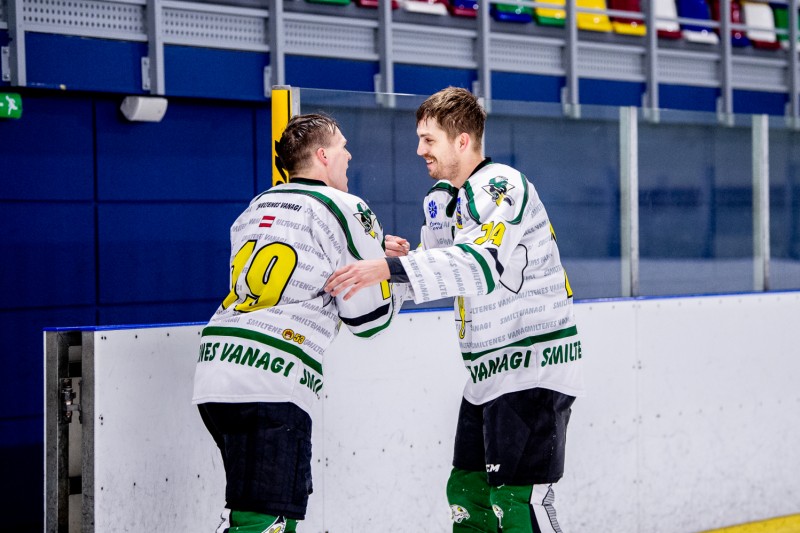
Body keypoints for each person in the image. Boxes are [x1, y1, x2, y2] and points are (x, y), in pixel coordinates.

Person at [325, 87, 585, 532]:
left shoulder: (501, 185)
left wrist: (388, 269)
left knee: (516, 502)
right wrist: (380, 274)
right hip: (486, 373)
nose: (419, 150)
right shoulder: (444, 198)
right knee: (467, 494)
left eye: (429, 139)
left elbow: (478, 265)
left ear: (462, 141)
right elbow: (436, 266)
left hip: (533, 366)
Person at [193, 113, 406, 533]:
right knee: (264, 520)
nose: (349, 154)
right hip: (271, 377)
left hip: (216, 369)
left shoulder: (257, 205)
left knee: (261, 511)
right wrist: (395, 273)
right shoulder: (346, 206)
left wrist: (371, 254)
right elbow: (368, 319)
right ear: (323, 155)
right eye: (343, 146)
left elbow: (295, 262)